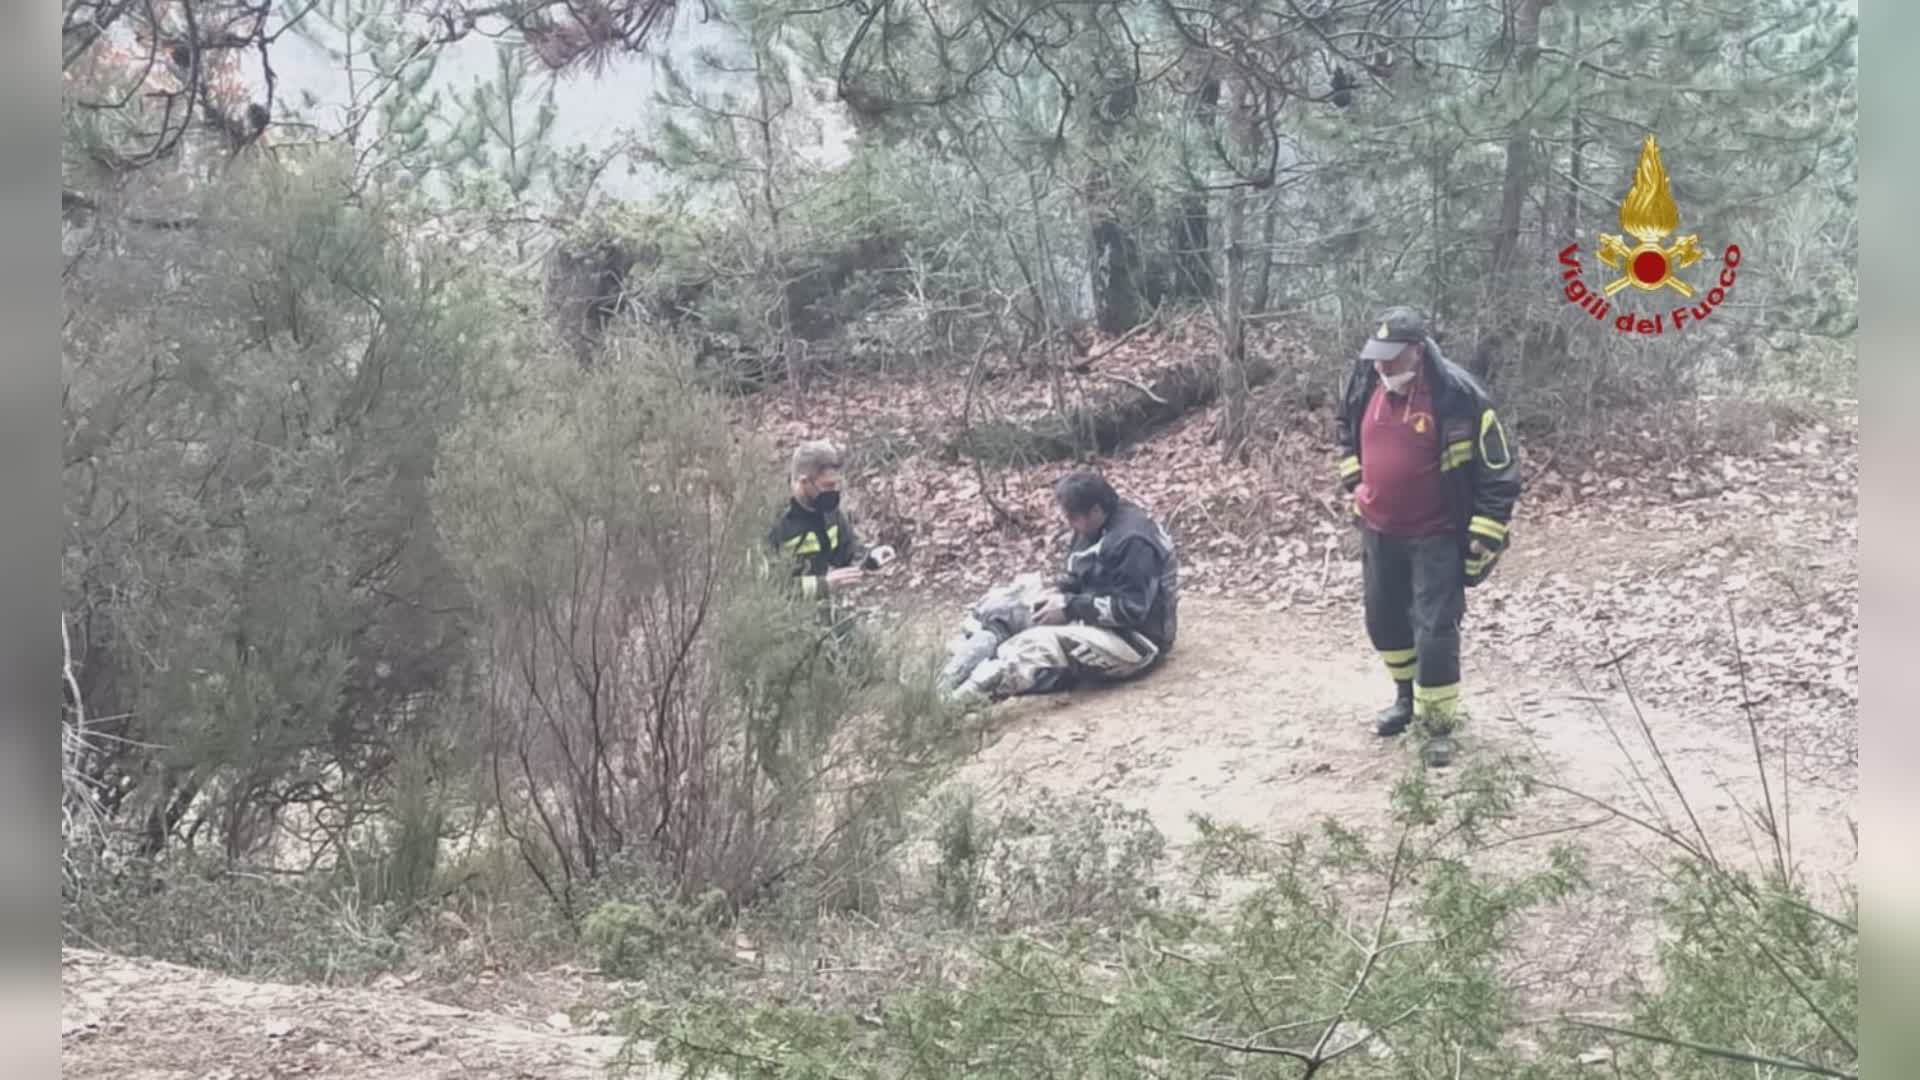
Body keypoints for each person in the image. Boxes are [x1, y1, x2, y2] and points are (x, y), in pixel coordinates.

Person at [1336, 306, 1520, 768]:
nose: (1381, 366)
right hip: (1380, 531)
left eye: (1391, 358)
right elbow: (1345, 433)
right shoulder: (1364, 381)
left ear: (1417, 352)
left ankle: (1437, 726)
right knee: (1384, 620)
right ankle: (1405, 700)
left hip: (1436, 533)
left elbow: (1499, 471)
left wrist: (1485, 533)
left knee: (1435, 629)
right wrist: (1354, 482)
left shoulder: (1459, 395)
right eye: (1377, 357)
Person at [952, 470, 1178, 703]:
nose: (1068, 522)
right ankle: (945, 681)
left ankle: (954, 705)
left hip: (1138, 640)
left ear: (1096, 511)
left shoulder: (1132, 541)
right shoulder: (1093, 526)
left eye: (1073, 516)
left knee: (1033, 645)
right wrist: (1057, 595)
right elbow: (1080, 577)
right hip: (1096, 618)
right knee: (1002, 612)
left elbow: (1132, 610)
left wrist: (1070, 608)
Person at [768, 440, 894, 606]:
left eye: (835, 485)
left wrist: (870, 557)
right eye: (827, 486)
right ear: (804, 482)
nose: (832, 492)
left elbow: (847, 550)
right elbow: (765, 587)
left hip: (824, 613)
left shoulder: (828, 511)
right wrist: (822, 586)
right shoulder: (772, 521)